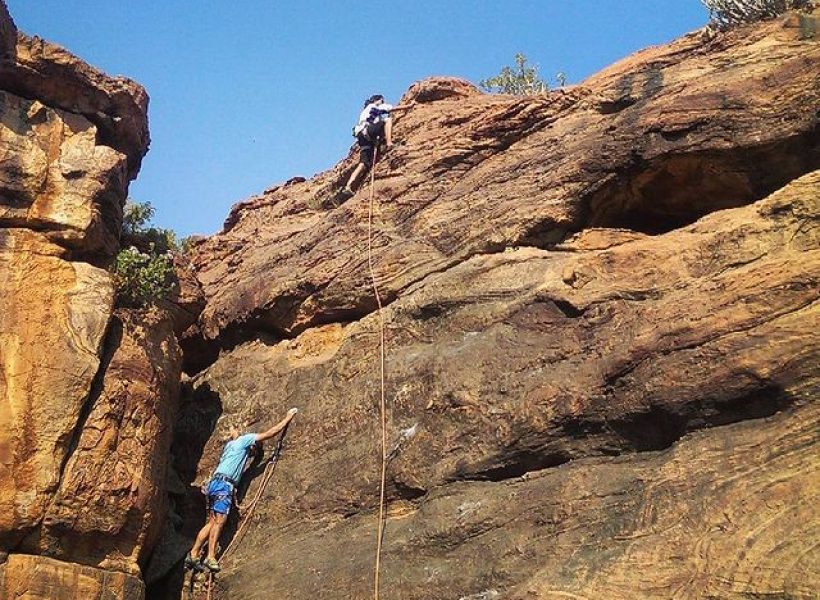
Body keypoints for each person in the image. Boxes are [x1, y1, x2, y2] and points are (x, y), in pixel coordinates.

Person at [185, 407, 298, 573]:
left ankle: (194, 554)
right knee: (220, 521)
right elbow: (270, 433)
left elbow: (245, 455)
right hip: (225, 485)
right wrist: (288, 418)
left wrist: (251, 451)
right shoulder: (245, 439)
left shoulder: (230, 446)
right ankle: (210, 557)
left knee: (211, 521)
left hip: (215, 483)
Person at [341, 94, 415, 197]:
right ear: (377, 100)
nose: (383, 103)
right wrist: (409, 106)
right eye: (382, 101)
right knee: (388, 120)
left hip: (362, 136)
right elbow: (391, 109)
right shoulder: (374, 106)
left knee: (363, 163)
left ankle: (348, 186)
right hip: (368, 132)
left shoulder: (365, 111)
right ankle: (389, 144)